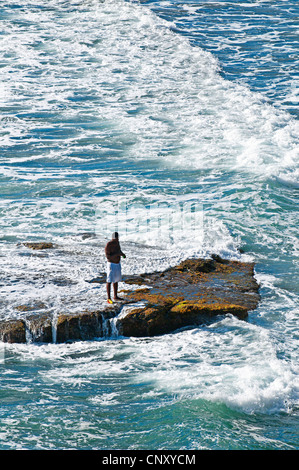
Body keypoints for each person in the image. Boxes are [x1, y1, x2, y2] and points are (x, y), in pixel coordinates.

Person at [105, 232, 126, 303]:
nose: (117, 240)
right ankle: (108, 298)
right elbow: (108, 256)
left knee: (116, 280)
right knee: (109, 280)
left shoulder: (117, 243)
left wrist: (122, 254)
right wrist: (117, 254)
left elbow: (119, 250)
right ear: (112, 238)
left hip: (117, 264)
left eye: (117, 239)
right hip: (111, 264)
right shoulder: (109, 244)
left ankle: (115, 296)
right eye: (115, 239)